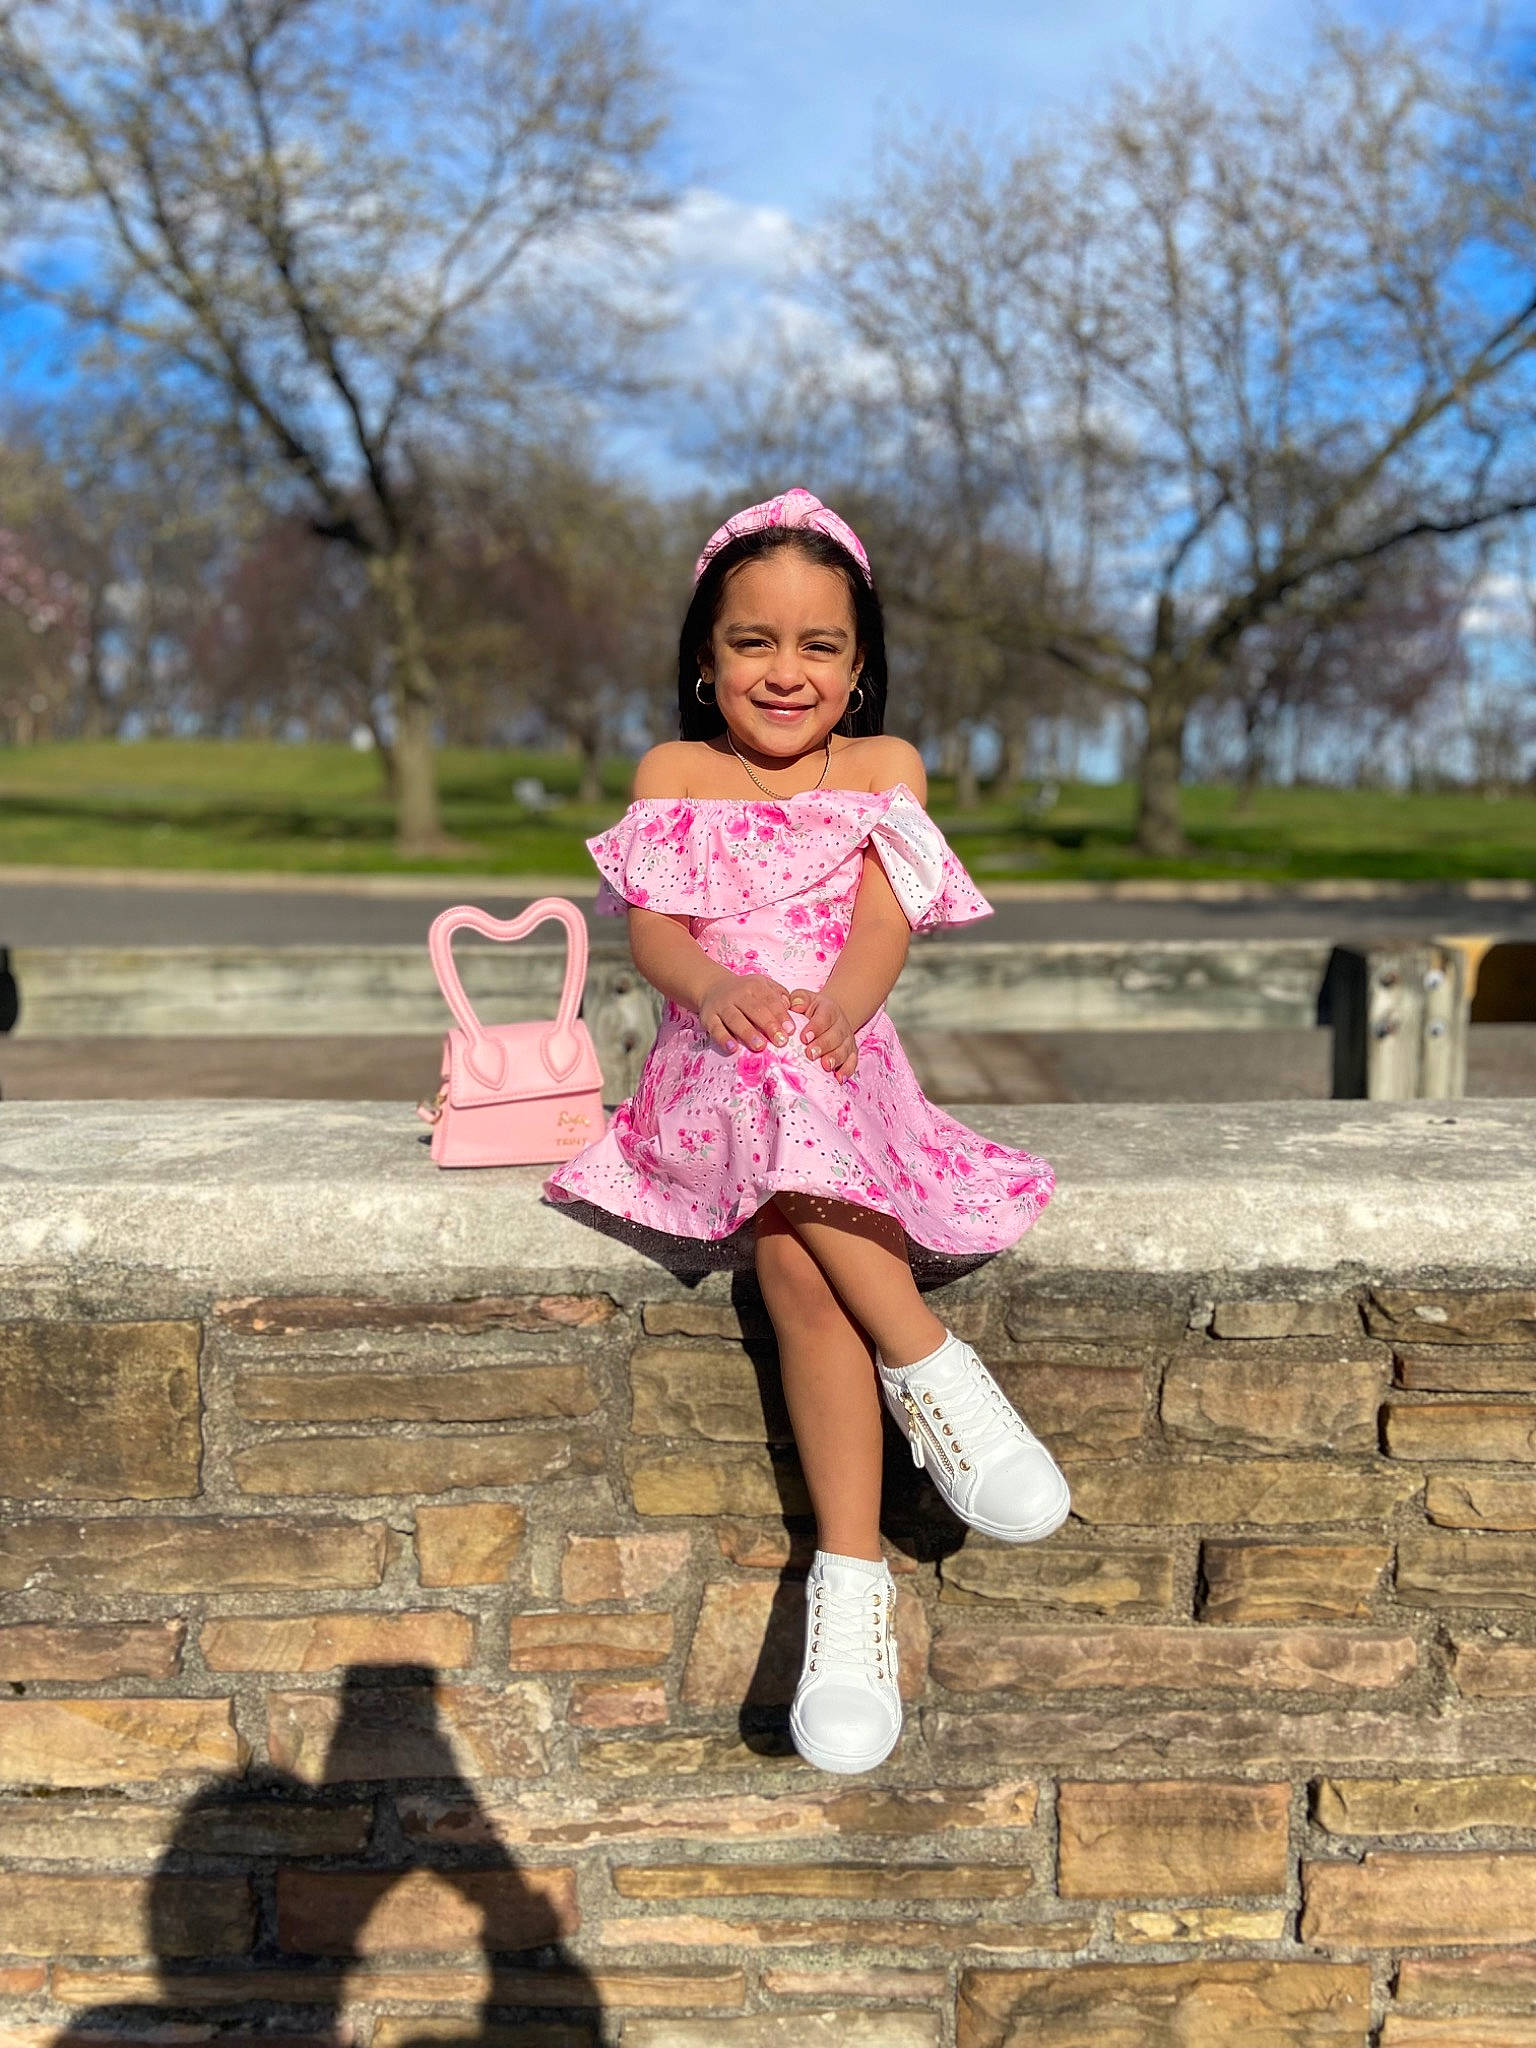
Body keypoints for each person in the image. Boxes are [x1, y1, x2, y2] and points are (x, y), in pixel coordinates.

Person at [544, 487, 1067, 1776]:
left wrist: (840, 1004)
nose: (786, 673)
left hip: (843, 1055)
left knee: (794, 1255)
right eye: (753, 643)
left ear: (860, 663)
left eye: (819, 647)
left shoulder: (887, 773)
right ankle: (936, 1371)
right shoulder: (676, 777)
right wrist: (714, 989)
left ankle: (848, 1588)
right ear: (705, 657)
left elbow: (883, 924)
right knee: (771, 1094)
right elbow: (656, 931)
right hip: (714, 1064)